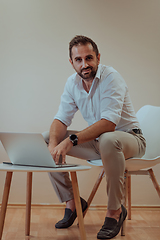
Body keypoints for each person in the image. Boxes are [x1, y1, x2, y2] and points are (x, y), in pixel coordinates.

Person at [45, 35, 146, 239]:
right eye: (79, 60)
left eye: (89, 58)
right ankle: (73, 203)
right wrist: (54, 144)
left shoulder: (111, 77)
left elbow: (109, 124)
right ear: (71, 62)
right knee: (47, 138)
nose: (85, 64)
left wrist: (71, 141)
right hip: (101, 142)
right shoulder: (72, 83)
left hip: (130, 140)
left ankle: (115, 212)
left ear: (98, 58)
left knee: (109, 138)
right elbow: (61, 119)